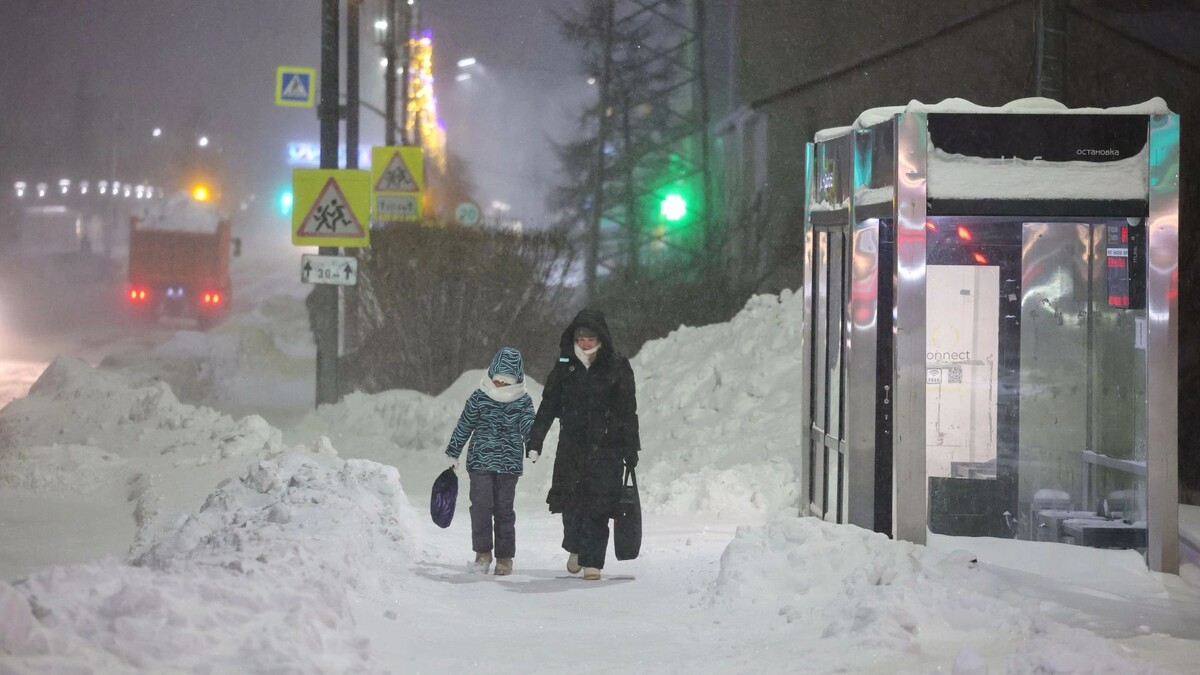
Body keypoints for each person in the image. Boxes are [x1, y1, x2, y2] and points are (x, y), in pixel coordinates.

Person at [525, 309, 640, 581]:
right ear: (573, 338)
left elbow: (627, 410)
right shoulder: (565, 366)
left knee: (599, 506)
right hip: (572, 449)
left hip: (606, 449)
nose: (586, 343)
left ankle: (593, 562)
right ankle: (575, 547)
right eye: (581, 338)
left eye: (591, 337)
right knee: (572, 505)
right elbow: (548, 405)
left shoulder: (617, 365)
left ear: (601, 337)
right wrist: (535, 439)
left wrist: (630, 447)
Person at [445, 347, 536, 576]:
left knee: (504, 509)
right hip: (480, 463)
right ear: (492, 376)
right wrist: (453, 451)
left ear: (516, 381)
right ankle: (482, 553)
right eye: (498, 381)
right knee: (481, 507)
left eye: (507, 383)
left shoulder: (523, 401)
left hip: (508, 464)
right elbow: (465, 424)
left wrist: (533, 443)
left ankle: (505, 557)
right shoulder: (479, 397)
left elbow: (528, 425)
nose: (501, 386)